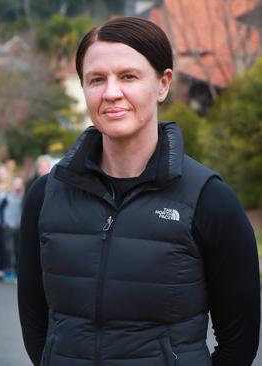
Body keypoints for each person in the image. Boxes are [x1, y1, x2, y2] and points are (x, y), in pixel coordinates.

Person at [18, 17, 260, 366]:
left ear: (163, 84)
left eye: (128, 76)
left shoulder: (209, 200)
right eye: (96, 79)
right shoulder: (45, 197)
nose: (111, 92)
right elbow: (36, 323)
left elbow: (239, 340)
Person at [1, 176, 22, 284]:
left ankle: (17, 273)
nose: (17, 186)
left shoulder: (24, 197)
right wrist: (3, 222)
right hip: (9, 226)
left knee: (19, 252)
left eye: (19, 184)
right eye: (15, 183)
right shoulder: (7, 197)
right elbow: (0, 209)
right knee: (8, 250)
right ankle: (8, 272)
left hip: (20, 228)